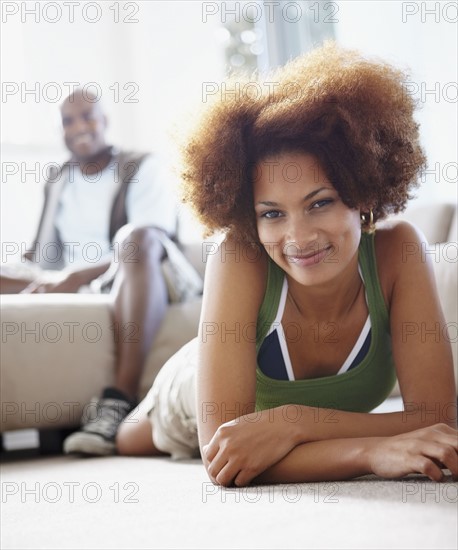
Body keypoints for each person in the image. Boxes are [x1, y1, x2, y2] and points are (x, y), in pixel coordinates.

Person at [115, 42, 458, 485]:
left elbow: (437, 422)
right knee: (128, 439)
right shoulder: (238, 256)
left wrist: (292, 422)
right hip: (188, 384)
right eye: (272, 213)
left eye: (320, 203)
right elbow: (223, 456)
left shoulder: (399, 252)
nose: (297, 238)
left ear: (365, 194)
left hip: (266, 410)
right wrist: (371, 450)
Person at [0, 89, 202, 456]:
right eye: (68, 120)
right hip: (67, 276)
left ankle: (118, 400)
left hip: (137, 269)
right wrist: (37, 276)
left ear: (105, 120)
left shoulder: (141, 167)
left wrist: (76, 276)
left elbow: (149, 236)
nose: (79, 126)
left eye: (88, 116)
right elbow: (42, 251)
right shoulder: (59, 178)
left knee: (134, 238)